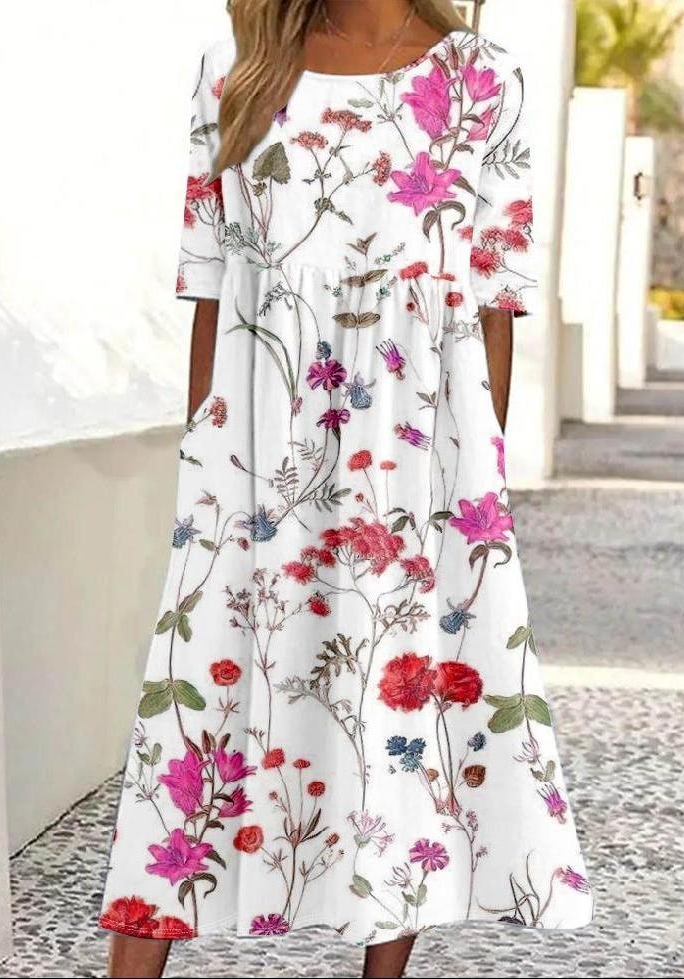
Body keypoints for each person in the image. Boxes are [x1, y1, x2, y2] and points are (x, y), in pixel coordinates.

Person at [99, 2, 593, 976]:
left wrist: (474, 494)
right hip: (252, 462)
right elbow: (209, 284)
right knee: (190, 724)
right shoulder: (238, 65)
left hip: (412, 466)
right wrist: (203, 465)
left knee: (389, 716)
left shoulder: (480, 79)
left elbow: (492, 302)